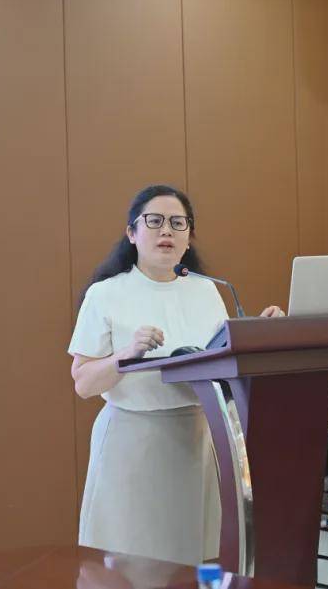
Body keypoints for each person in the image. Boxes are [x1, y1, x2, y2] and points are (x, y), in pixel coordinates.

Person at [68, 184, 284, 566]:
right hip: (133, 443)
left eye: (177, 223)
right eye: (154, 221)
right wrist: (125, 355)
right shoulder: (105, 294)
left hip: (199, 438)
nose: (166, 230)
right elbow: (83, 383)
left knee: (198, 563)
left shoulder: (206, 291)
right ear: (132, 233)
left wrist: (261, 336)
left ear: (188, 236)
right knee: (134, 566)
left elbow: (222, 361)